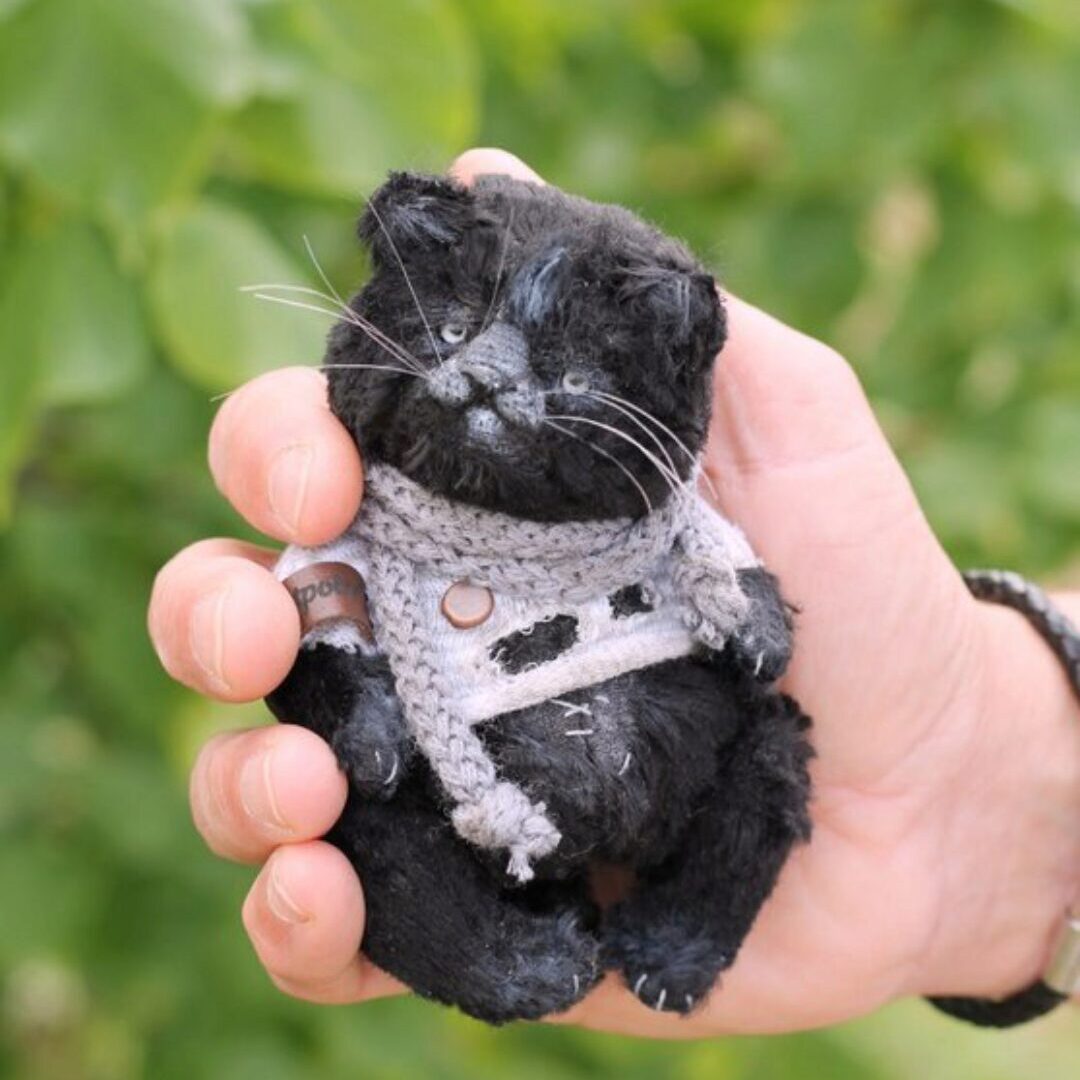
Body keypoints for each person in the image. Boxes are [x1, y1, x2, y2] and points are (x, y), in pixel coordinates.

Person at [147, 148, 1080, 1036]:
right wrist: (353, 709)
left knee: (766, 764)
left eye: (569, 378)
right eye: (456, 333)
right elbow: (325, 638)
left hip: (668, 756)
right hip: (466, 791)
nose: (486, 383)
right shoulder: (360, 529)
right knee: (367, 828)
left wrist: (762, 621)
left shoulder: (672, 524)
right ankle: (489, 952)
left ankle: (687, 925)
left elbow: (739, 603)